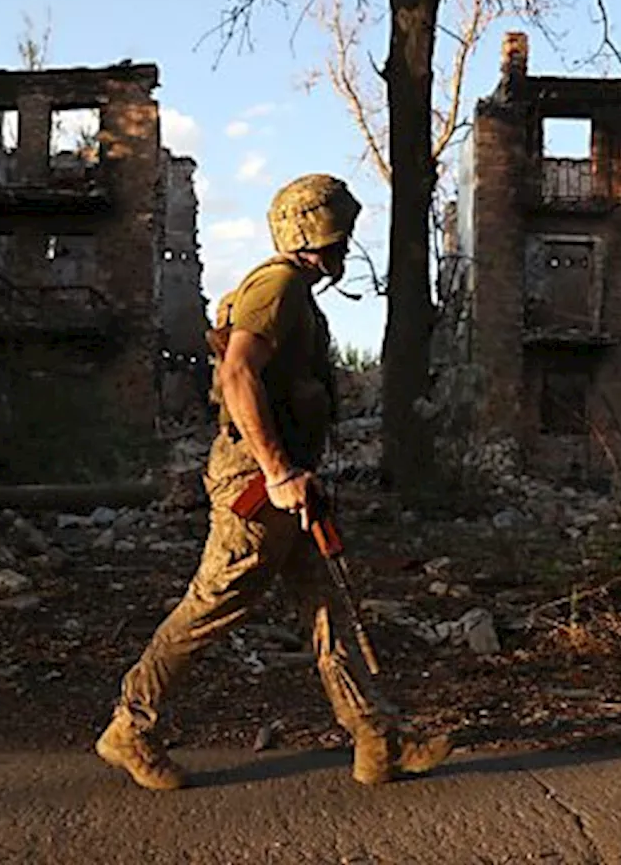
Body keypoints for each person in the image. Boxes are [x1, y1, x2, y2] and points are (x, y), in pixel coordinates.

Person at [95, 173, 452, 790]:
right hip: (258, 488)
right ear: (317, 233)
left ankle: (377, 736)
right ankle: (131, 726)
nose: (346, 247)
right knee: (212, 606)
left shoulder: (296, 292)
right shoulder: (279, 285)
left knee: (329, 607)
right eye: (340, 233)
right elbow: (238, 375)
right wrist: (280, 471)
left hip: (289, 484)